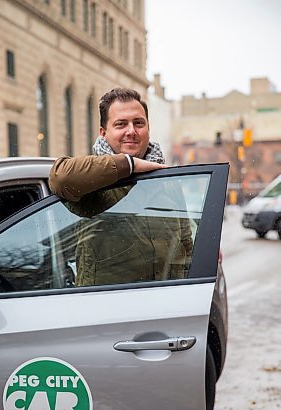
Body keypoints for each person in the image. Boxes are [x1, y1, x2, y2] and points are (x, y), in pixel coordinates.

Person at [49, 88, 192, 286]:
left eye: (138, 123)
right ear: (103, 132)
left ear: (148, 129)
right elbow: (61, 177)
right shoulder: (89, 178)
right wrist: (130, 165)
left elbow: (186, 245)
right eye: (121, 124)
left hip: (166, 304)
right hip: (109, 309)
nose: (131, 131)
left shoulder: (167, 181)